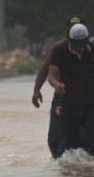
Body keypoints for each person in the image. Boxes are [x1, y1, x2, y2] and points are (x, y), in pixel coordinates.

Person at [46, 23, 94, 158]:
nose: (80, 48)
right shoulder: (59, 50)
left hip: (91, 104)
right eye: (76, 45)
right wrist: (56, 84)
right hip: (67, 105)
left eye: (83, 45)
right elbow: (51, 75)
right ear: (70, 41)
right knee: (66, 151)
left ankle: (93, 175)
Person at [31, 15, 85, 157]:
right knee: (54, 138)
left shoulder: (91, 49)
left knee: (79, 139)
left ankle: (79, 167)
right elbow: (45, 70)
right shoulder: (59, 48)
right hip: (61, 97)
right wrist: (36, 90)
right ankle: (61, 164)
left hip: (83, 100)